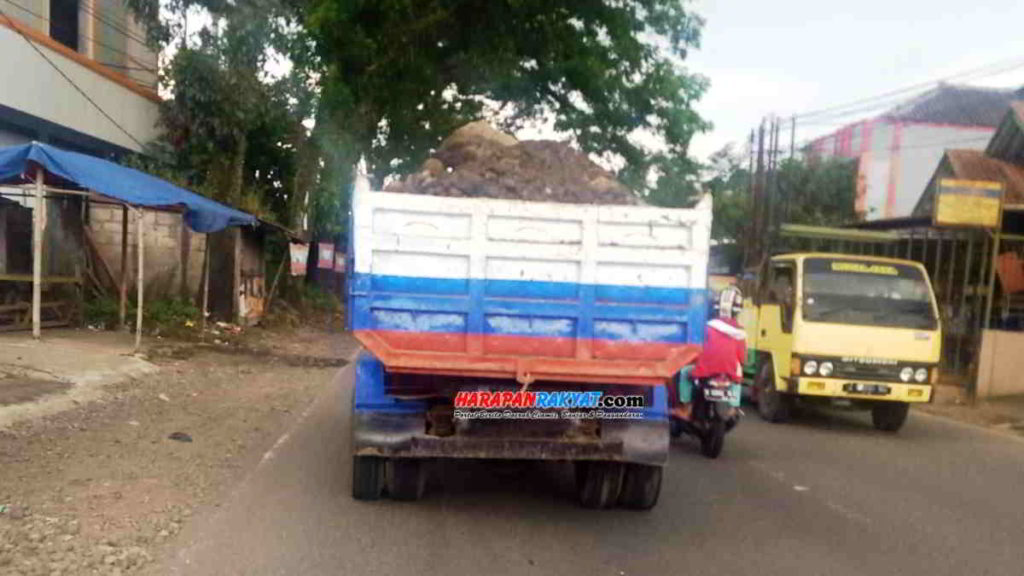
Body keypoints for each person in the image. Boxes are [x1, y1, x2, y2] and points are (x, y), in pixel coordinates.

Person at [671, 285, 747, 421]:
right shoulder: (740, 332)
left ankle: (687, 408)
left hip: (704, 370)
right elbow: (742, 359)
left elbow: (697, 349)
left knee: (684, 373)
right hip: (728, 373)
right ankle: (734, 407)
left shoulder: (707, 327)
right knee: (738, 377)